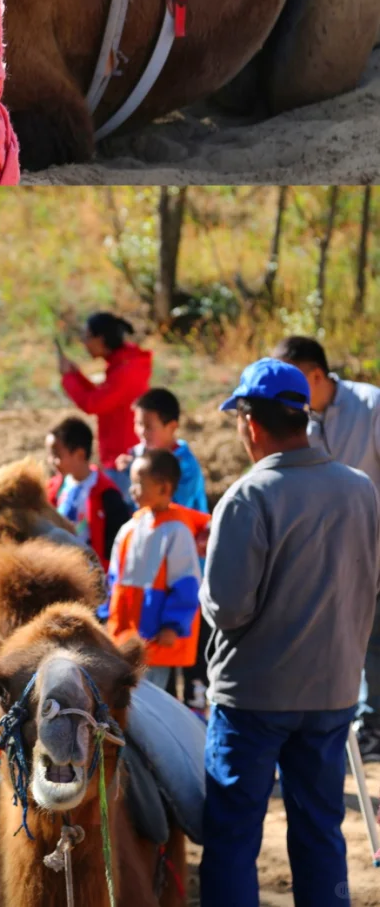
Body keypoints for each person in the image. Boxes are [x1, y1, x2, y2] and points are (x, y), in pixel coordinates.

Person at [200, 359, 380, 907]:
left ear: (250, 424)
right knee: (320, 829)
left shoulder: (248, 498)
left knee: (233, 836)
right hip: (332, 694)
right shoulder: (360, 490)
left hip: (253, 697)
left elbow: (228, 609)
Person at [273, 335, 380, 758]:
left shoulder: (370, 405)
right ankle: (352, 720)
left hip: (375, 546)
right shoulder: (293, 420)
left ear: (316, 374)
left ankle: (370, 725)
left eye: (293, 380)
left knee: (374, 639)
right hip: (330, 558)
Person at [106, 449, 205, 691]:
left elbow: (186, 582)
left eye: (139, 483)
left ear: (164, 488)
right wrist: (105, 614)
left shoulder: (176, 531)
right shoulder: (130, 528)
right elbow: (114, 580)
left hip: (154, 637)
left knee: (150, 698)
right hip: (124, 634)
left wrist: (173, 625)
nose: (132, 489)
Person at [57, 313, 152, 492]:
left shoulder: (126, 370)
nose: (84, 343)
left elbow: (93, 404)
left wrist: (69, 377)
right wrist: (76, 376)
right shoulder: (125, 363)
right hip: (121, 457)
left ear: (100, 339)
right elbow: (103, 396)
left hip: (123, 461)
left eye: (86, 337)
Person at [45, 416, 132, 572]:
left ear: (79, 454)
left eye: (56, 455)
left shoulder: (107, 494)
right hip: (59, 568)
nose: (51, 461)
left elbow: (115, 541)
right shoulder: (54, 488)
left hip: (93, 574)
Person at [114, 388, 209, 513]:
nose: (142, 432)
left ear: (172, 427)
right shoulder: (139, 453)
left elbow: (177, 506)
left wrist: (139, 472)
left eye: (148, 426)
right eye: (138, 423)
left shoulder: (185, 466)